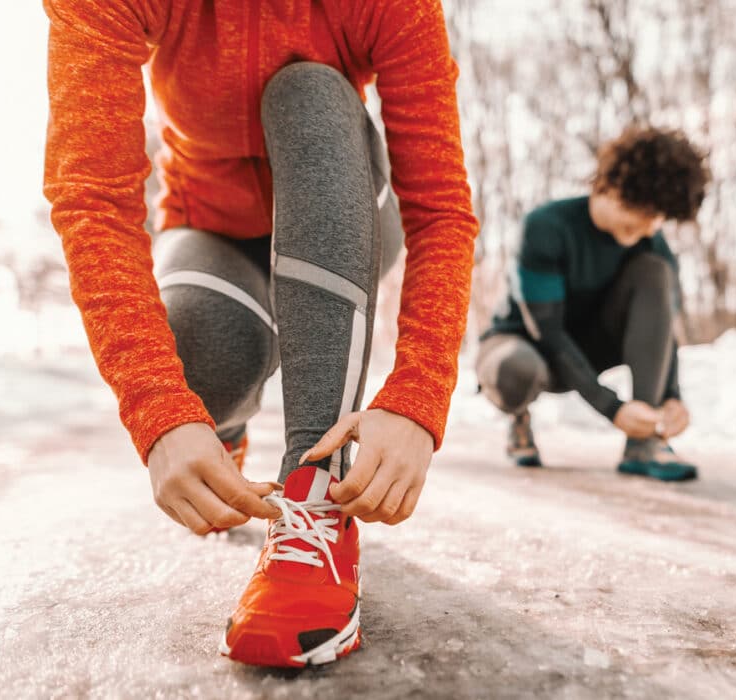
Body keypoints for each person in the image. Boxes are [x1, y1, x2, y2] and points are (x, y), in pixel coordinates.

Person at [43, 0, 477, 668]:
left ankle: (316, 493)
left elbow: (442, 210)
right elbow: (92, 198)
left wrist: (419, 394)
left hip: (349, 213)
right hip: (214, 229)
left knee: (306, 88)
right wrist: (162, 412)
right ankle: (226, 422)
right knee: (199, 349)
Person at [475, 127, 708, 481]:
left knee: (655, 271)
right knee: (516, 369)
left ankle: (643, 444)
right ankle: (519, 416)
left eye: (658, 216)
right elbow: (548, 332)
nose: (650, 226)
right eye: (644, 210)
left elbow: (661, 329)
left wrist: (671, 397)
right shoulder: (546, 226)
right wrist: (612, 408)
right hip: (525, 344)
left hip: (589, 346)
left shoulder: (651, 244)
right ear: (610, 187)